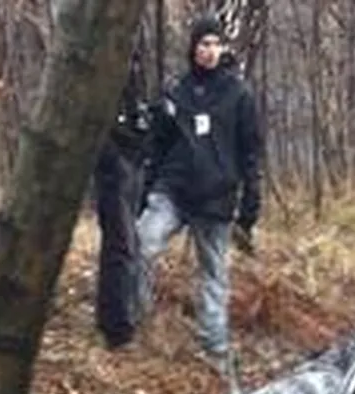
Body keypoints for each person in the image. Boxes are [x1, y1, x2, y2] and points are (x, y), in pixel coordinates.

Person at [134, 17, 262, 364]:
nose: (208, 51)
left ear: (223, 48)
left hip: (216, 195)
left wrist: (250, 204)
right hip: (173, 189)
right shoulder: (177, 90)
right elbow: (157, 147)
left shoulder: (238, 94)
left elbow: (250, 151)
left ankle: (214, 346)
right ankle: (138, 325)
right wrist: (145, 193)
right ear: (193, 48)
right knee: (141, 245)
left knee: (214, 273)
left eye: (214, 44)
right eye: (202, 44)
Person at [92, 63, 153, 349]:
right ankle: (117, 328)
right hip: (112, 153)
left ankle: (125, 315)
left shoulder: (132, 52)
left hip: (133, 152)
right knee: (120, 242)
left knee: (130, 241)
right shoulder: (101, 44)